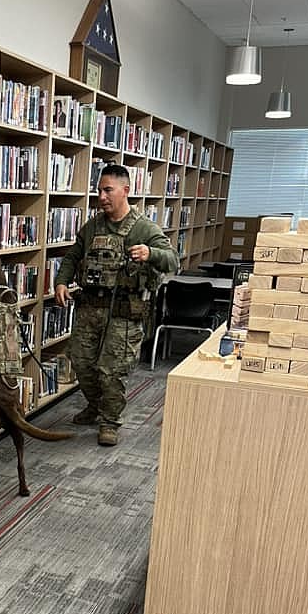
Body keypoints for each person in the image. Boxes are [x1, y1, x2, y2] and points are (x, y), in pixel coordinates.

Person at [54, 163, 178, 446]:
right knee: (81, 362)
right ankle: (96, 405)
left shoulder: (144, 228)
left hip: (124, 312)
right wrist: (61, 282)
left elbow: (173, 260)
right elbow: (73, 257)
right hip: (90, 308)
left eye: (108, 190)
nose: (101, 196)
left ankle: (109, 421)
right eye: (99, 190)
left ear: (126, 190)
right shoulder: (92, 227)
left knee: (112, 370)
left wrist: (151, 253)